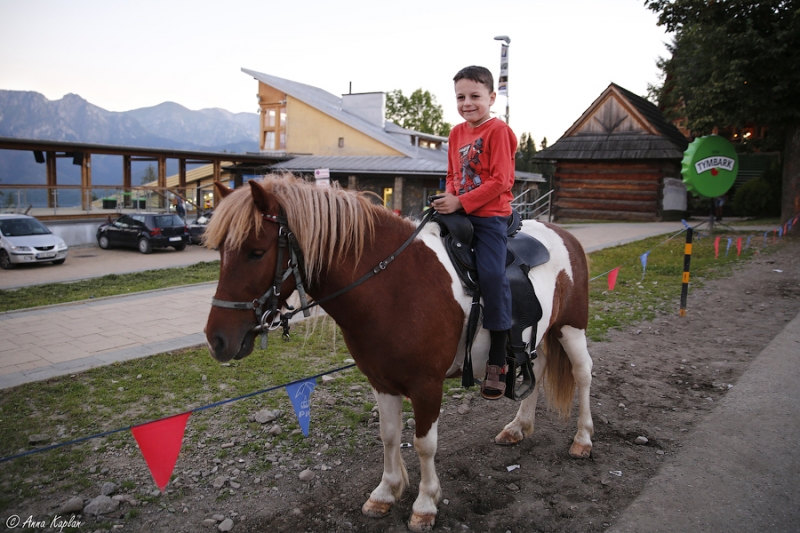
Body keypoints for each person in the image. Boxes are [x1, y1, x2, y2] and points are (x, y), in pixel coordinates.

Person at [431, 65, 517, 400]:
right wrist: (448, 199)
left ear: (492, 98)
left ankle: (498, 357)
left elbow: (502, 181)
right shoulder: (455, 133)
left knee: (493, 275)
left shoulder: (499, 131)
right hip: (458, 210)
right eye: (461, 97)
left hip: (490, 216)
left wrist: (462, 203)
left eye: (475, 96)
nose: (467, 103)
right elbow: (452, 173)